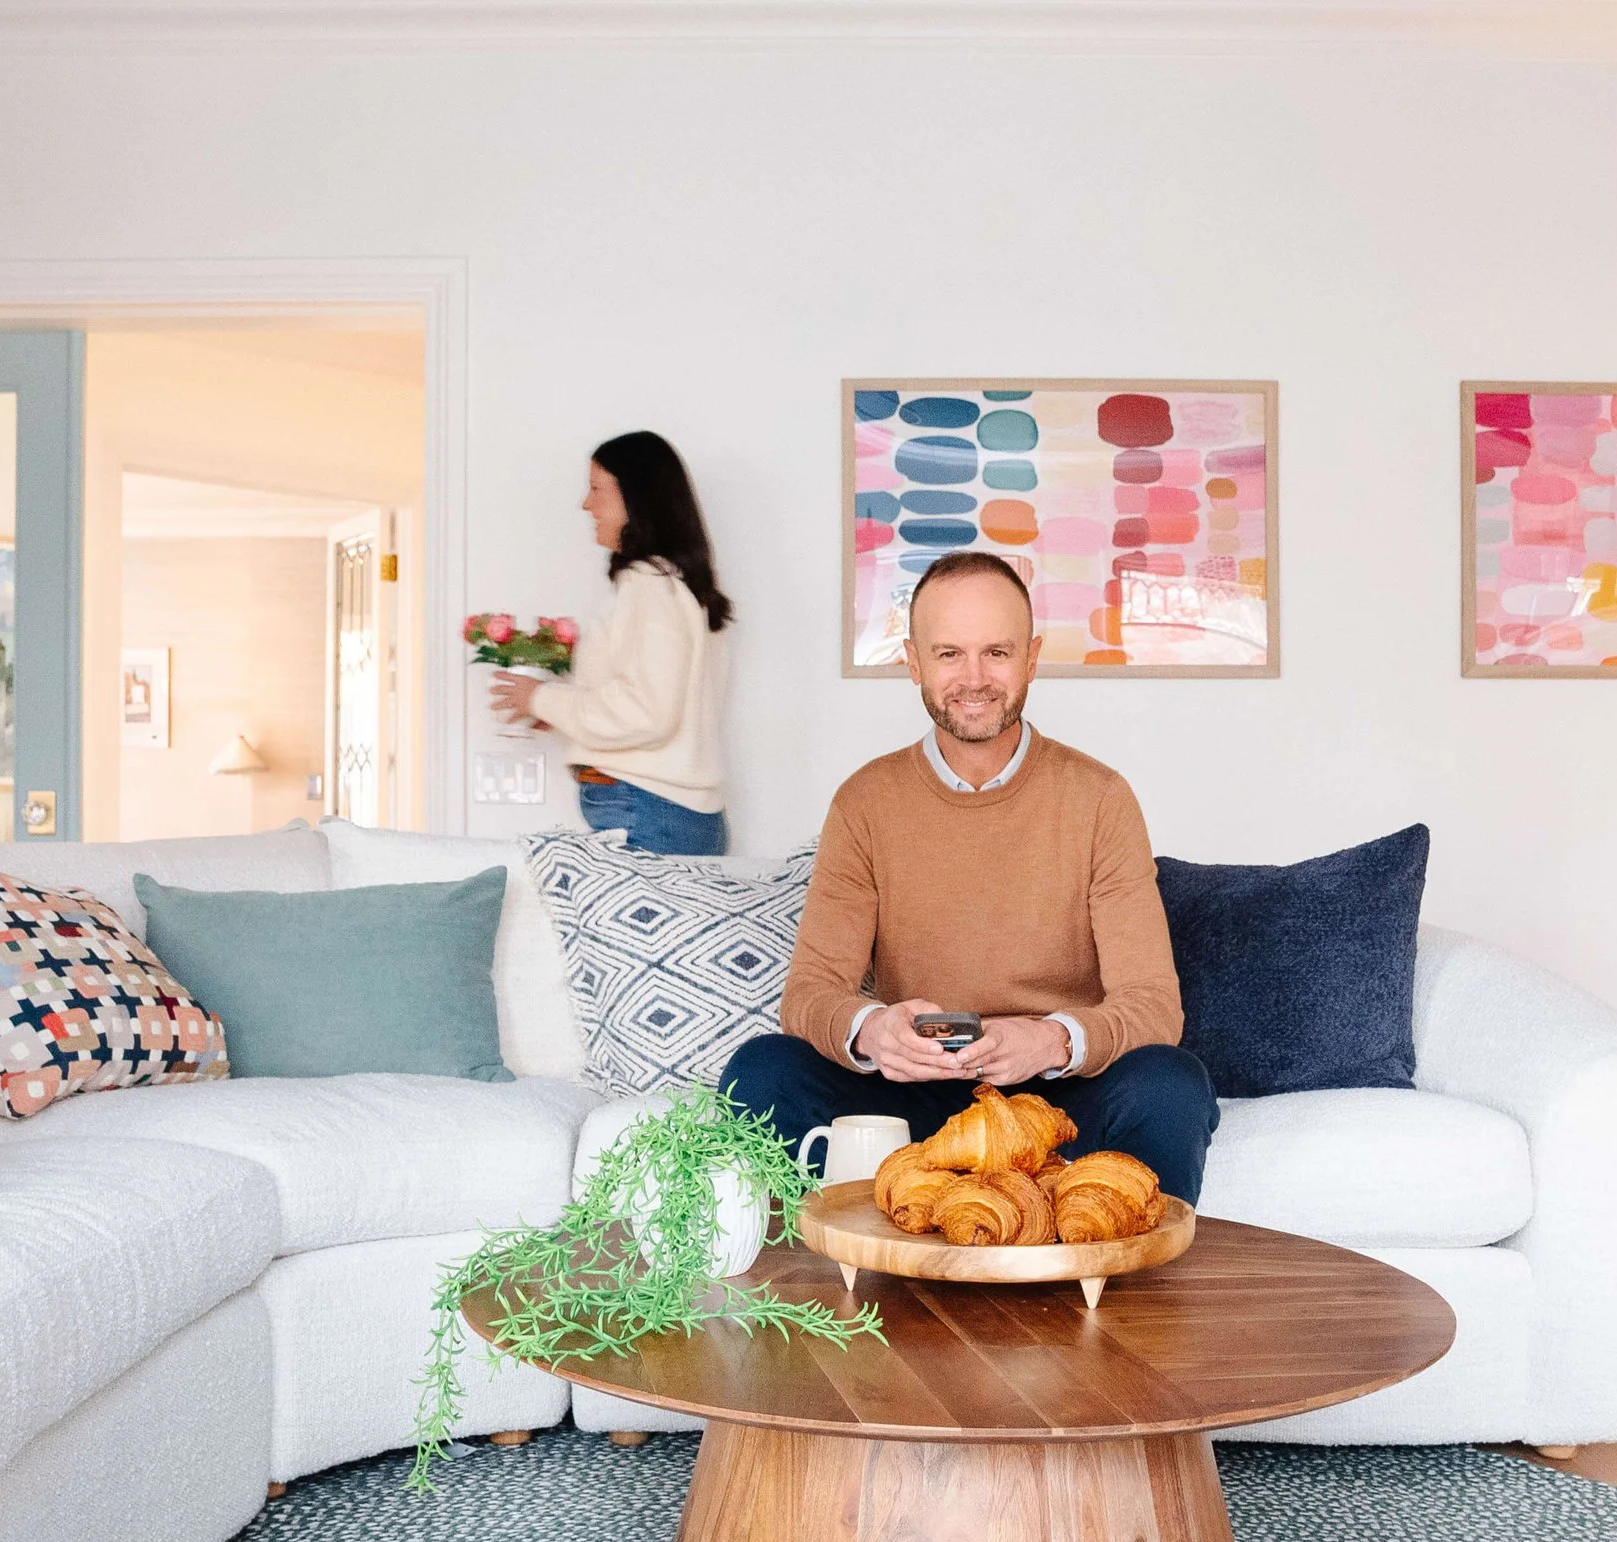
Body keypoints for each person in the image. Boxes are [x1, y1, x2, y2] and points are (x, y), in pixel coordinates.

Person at [719, 550, 1219, 1202]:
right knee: (760, 1072)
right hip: (912, 1098)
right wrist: (872, 1030)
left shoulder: (1100, 799)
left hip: (1057, 1099)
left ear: (1032, 657)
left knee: (1170, 1083)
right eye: (949, 653)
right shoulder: (864, 803)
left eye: (998, 653)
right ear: (913, 661)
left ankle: (1125, 1295)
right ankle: (820, 1290)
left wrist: (1050, 1040)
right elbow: (810, 994)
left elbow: (1153, 1006)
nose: (974, 678)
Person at [489, 431, 733, 855]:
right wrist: (567, 711)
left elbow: (648, 712)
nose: (587, 504)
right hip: (664, 809)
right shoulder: (678, 585)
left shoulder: (649, 585)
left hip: (646, 809)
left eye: (597, 488)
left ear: (635, 496)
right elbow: (658, 702)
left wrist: (542, 699)